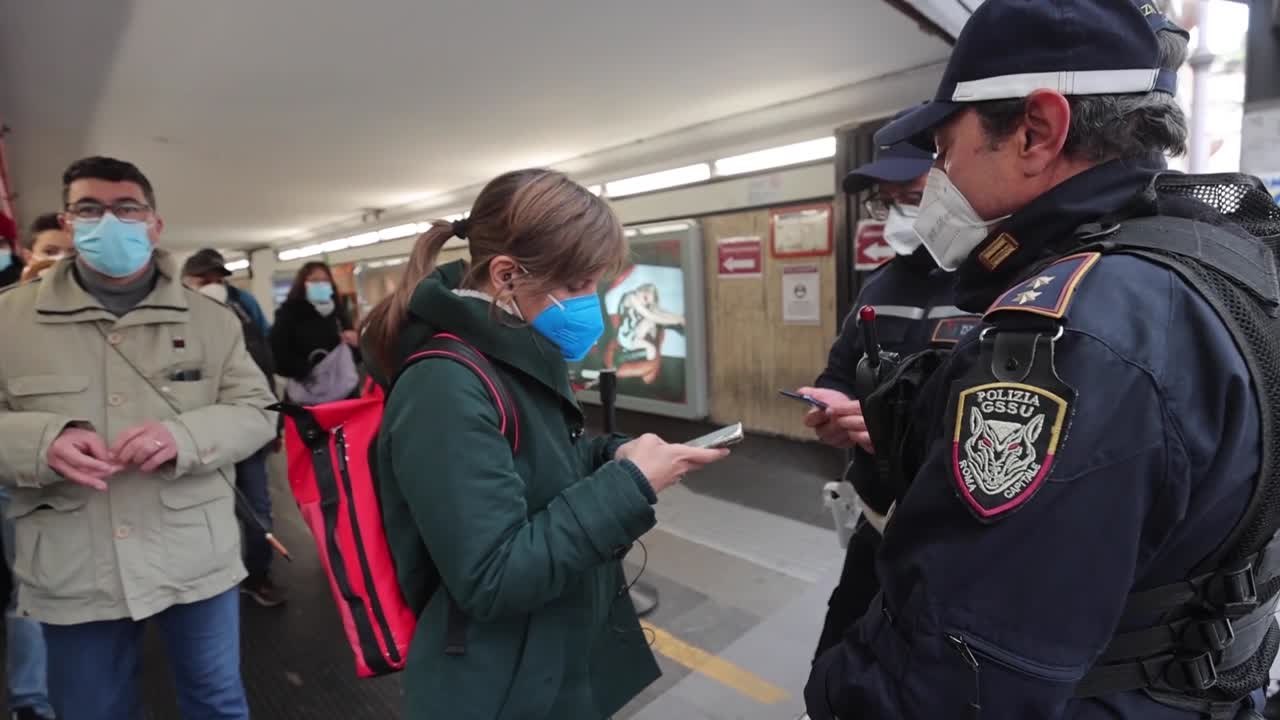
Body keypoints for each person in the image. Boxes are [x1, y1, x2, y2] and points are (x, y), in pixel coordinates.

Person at [806, 2, 1280, 718]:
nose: (940, 178)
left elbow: (955, 678)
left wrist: (835, 691)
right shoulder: (1217, 269)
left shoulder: (1072, 334)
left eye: (943, 150)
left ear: (1036, 131)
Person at [361, 169, 730, 719]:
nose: (592, 303)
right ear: (507, 275)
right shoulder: (445, 385)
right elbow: (493, 575)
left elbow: (534, 467)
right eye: (577, 286)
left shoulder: (509, 354)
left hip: (544, 657)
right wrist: (628, 488)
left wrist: (613, 457)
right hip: (499, 688)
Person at [0, 156, 277, 720]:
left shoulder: (210, 321)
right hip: (72, 560)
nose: (110, 221)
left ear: (154, 223)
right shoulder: (9, 321)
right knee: (91, 708)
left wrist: (185, 435)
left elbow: (257, 411)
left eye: (127, 209)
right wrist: (38, 441)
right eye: (90, 209)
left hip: (195, 554)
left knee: (217, 701)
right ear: (67, 221)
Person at [798, 110, 978, 661]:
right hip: (876, 526)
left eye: (914, 194)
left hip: (959, 543)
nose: (900, 213)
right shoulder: (880, 284)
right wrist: (832, 409)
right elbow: (839, 372)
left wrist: (896, 432)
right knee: (838, 660)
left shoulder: (1004, 283)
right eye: (887, 200)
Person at [182, 248, 284, 608]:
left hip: (244, 432)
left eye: (218, 279)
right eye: (203, 280)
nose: (213, 285)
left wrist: (275, 423)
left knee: (258, 509)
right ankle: (200, 583)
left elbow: (264, 366)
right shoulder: (174, 316)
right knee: (199, 511)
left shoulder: (244, 308)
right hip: (194, 435)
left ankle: (258, 575)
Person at [0, 218, 56, 720]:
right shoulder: (6, 320)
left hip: (92, 484)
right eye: (50, 253)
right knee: (30, 588)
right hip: (17, 482)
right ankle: (31, 699)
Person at [270, 261, 360, 403]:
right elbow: (276, 356)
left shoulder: (339, 313)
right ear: (303, 284)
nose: (320, 284)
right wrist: (307, 370)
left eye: (325, 280)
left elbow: (357, 357)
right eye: (314, 280)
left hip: (344, 394)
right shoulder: (288, 314)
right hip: (307, 396)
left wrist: (356, 343)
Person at [18, 213, 74, 283]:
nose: (64, 258)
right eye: (50, 252)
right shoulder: (13, 293)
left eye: (73, 252)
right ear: (28, 257)